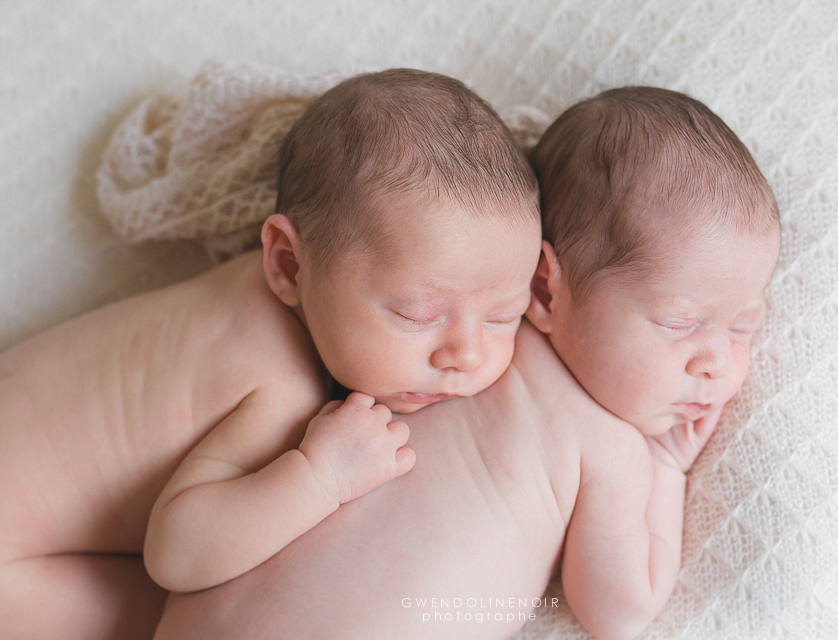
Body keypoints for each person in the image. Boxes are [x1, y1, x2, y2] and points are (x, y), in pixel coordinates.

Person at [153, 86, 781, 640]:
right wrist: (667, 468)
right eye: (681, 323)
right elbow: (619, 611)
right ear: (542, 290)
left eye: (744, 326)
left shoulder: (451, 353)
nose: (717, 362)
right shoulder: (609, 450)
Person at [0, 69, 541, 640]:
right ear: (286, 262)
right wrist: (319, 478)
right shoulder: (278, 381)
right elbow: (178, 554)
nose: (466, 352)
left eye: (505, 315)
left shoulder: (279, 288)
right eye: (418, 315)